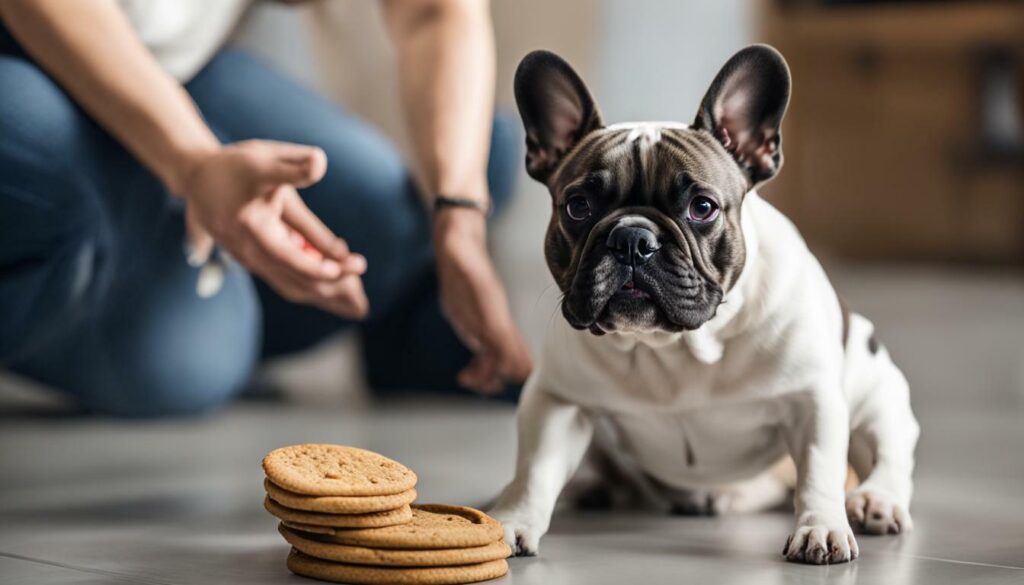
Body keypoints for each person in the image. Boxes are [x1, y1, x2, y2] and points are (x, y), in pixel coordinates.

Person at [0, 0, 532, 417]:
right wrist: (192, 162)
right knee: (186, 361)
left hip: (174, 66)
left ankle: (183, 277)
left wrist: (459, 217)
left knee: (384, 217)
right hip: (19, 50)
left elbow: (436, 12)